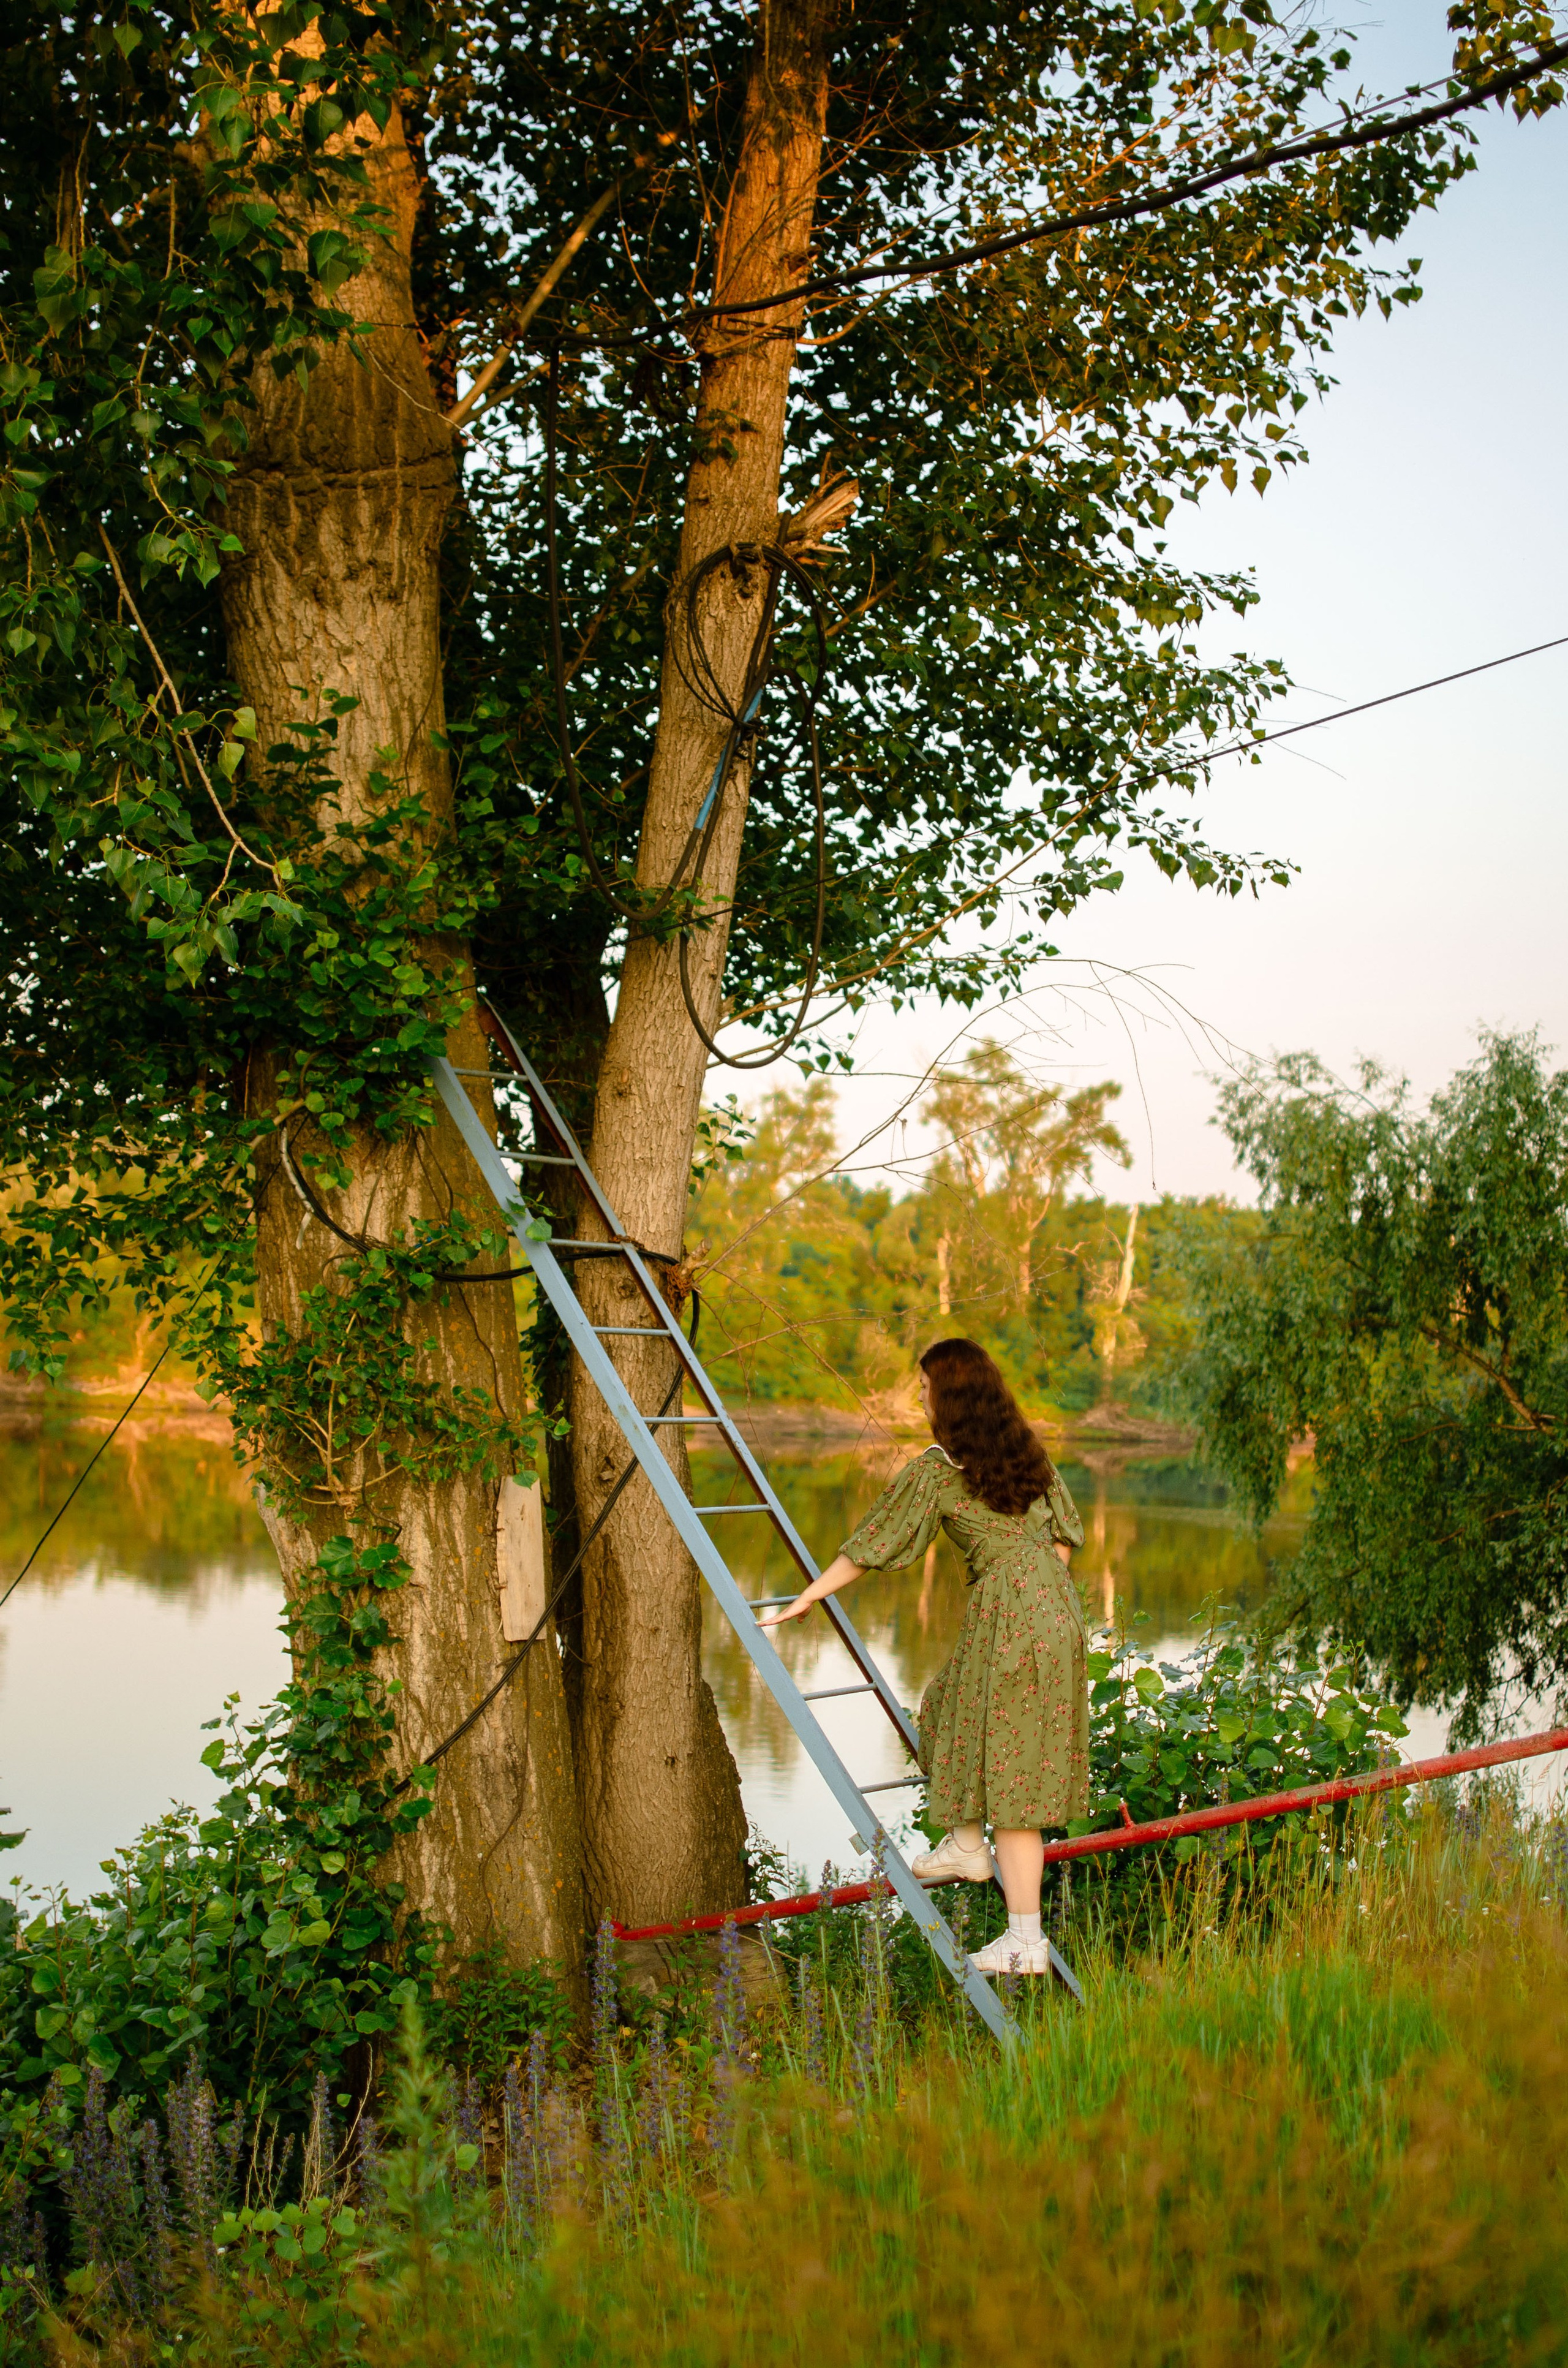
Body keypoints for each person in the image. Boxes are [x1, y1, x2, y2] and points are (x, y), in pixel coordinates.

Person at [761, 1337, 1088, 1976]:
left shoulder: (939, 1468)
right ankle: (967, 1845)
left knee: (1013, 1790)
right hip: (1058, 1611)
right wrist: (1033, 1591)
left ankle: (1024, 1938)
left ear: (949, 1395)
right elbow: (1064, 1543)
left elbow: (874, 1544)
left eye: (924, 1384)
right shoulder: (1030, 1457)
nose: (918, 1393)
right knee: (949, 1706)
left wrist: (808, 1596)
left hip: (1012, 1614)